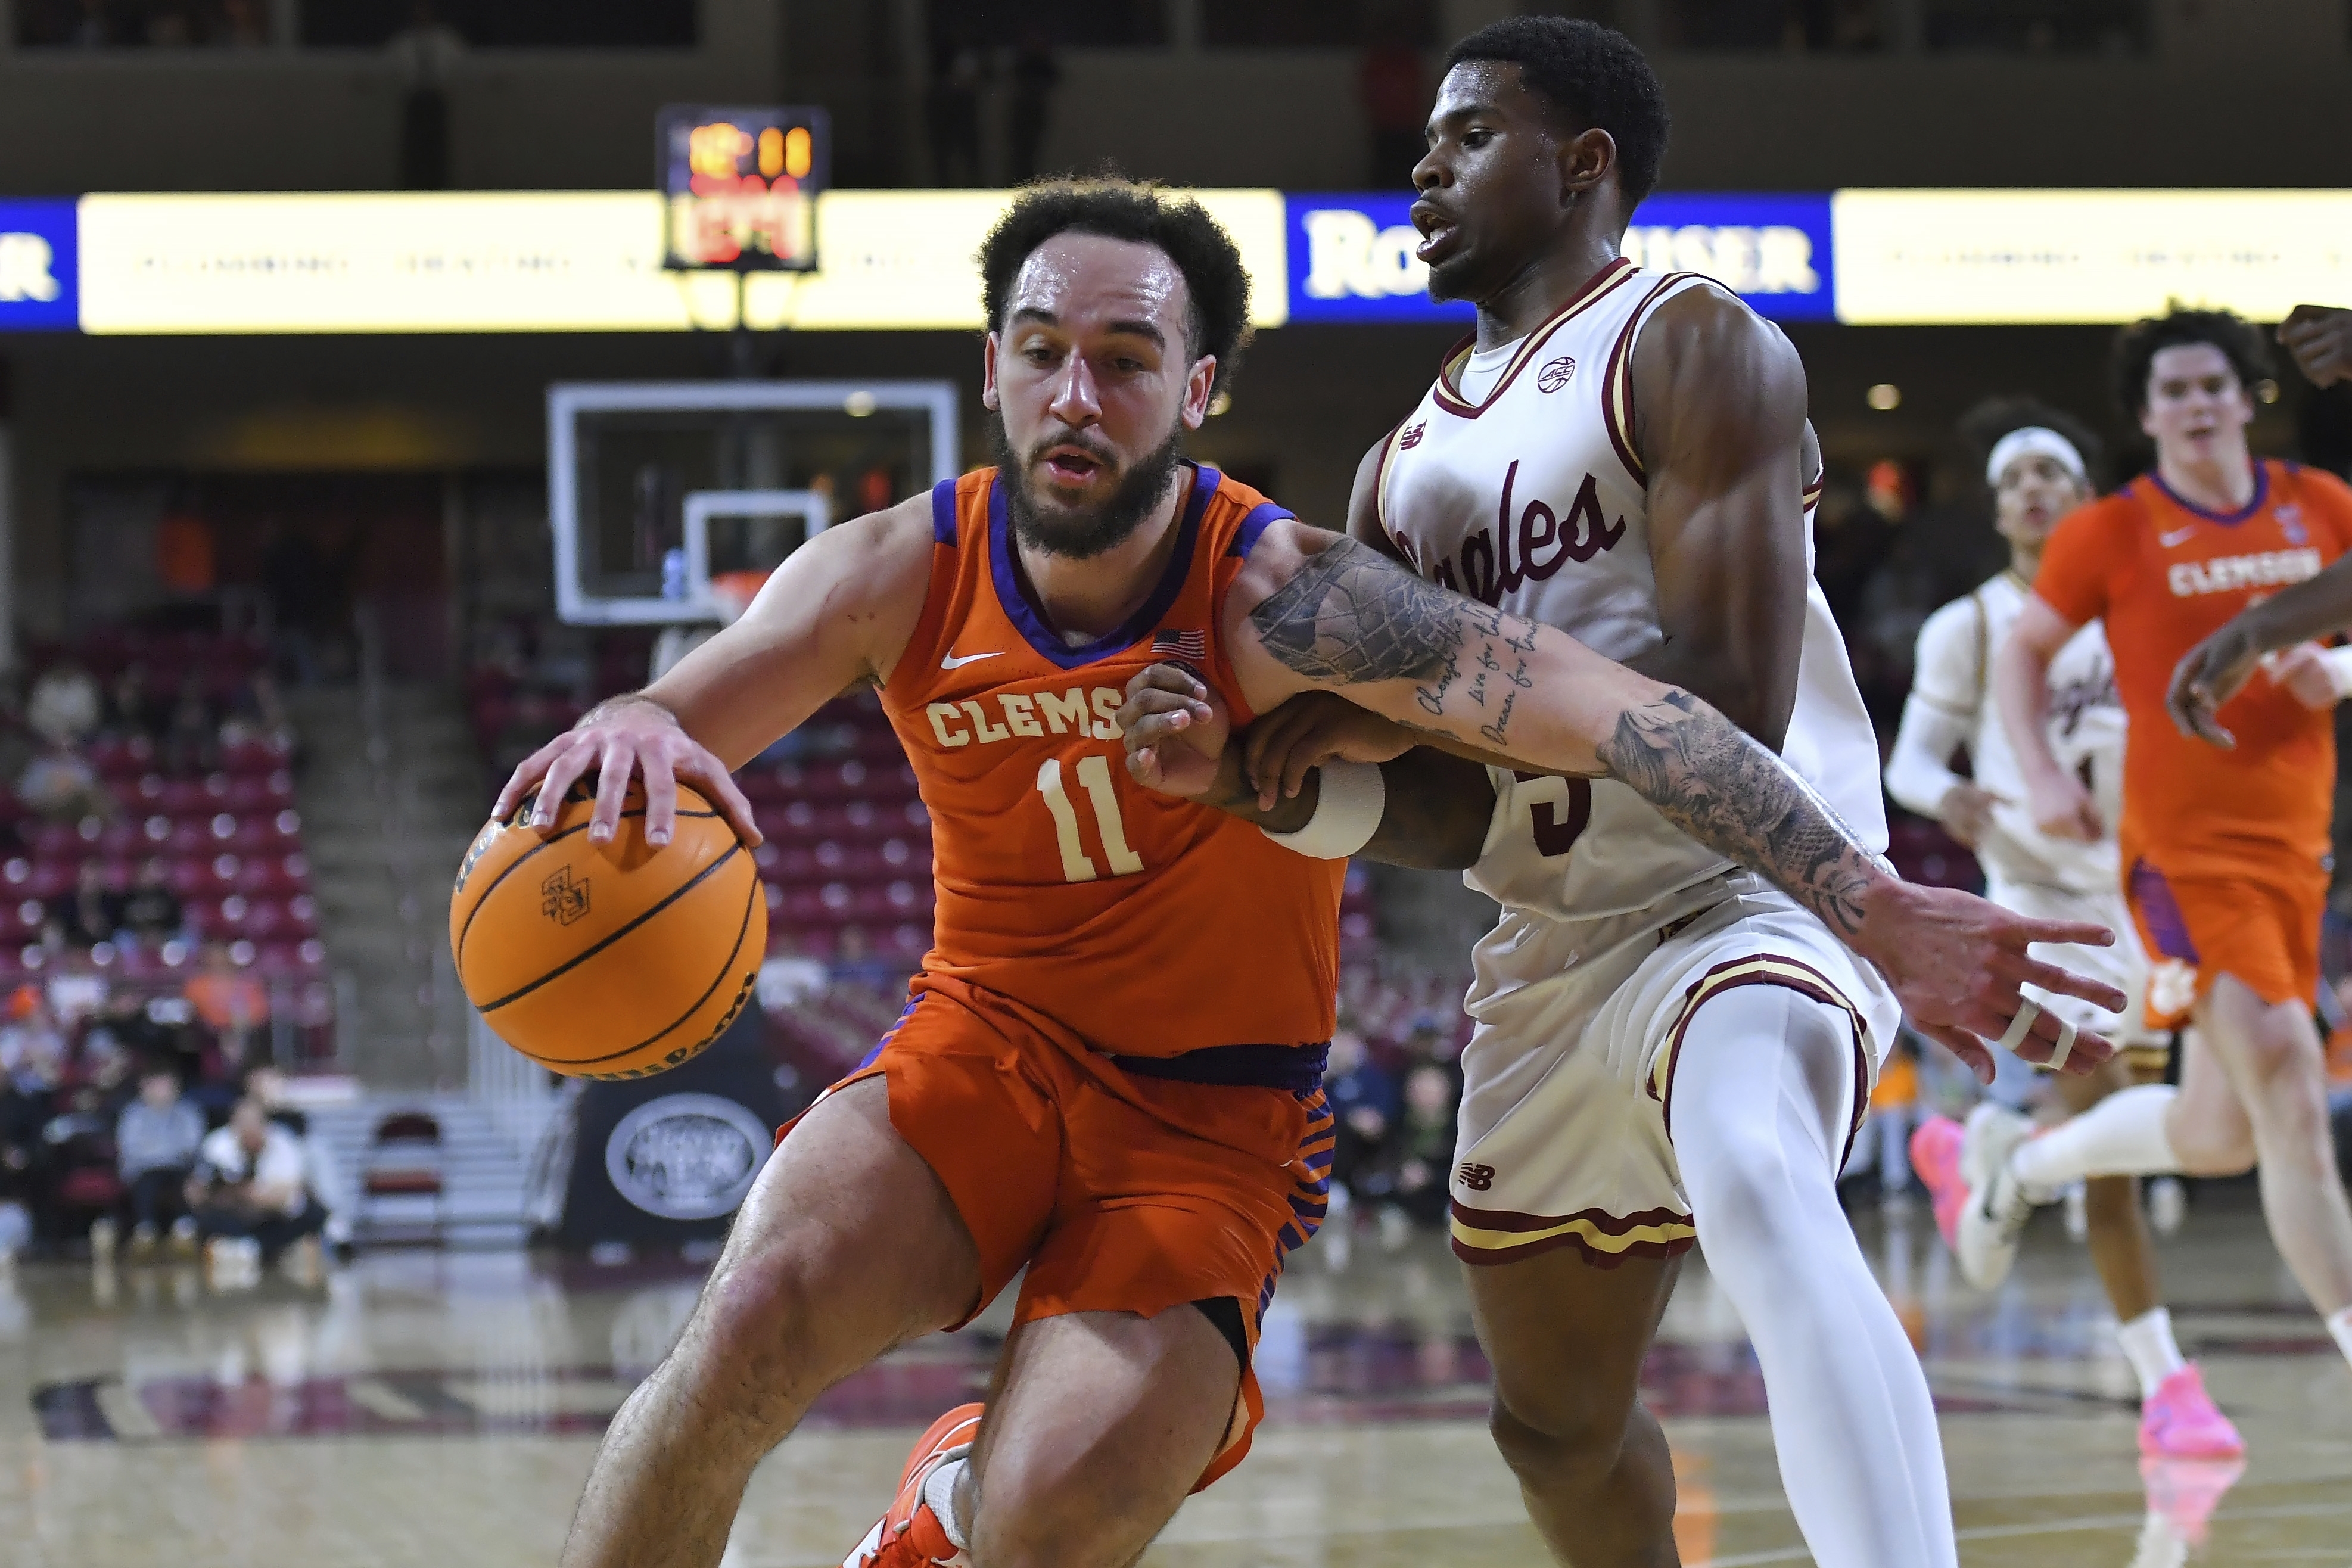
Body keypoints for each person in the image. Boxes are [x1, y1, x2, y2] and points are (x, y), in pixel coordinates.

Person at [502, 177, 2115, 1568]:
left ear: (1194, 388)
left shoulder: (1289, 596)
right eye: (1045, 352)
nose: (1078, 393)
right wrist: (635, 729)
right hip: (976, 1050)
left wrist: (1871, 901)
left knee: (1052, 1519)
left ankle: (946, 1508)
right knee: (744, 1328)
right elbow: (672, 708)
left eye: (1125, 360)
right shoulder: (891, 570)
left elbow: (1624, 718)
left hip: (1206, 1127)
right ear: (991, 370)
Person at [1119, 25, 2110, 1566]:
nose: (1421, 165)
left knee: (1754, 1167)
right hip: (1548, 948)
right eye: (1423, 140)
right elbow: (1459, 813)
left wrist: (1411, 680)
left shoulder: (1692, 341)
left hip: (1749, 889)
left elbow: (1725, 700)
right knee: (1551, 1429)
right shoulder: (1393, 470)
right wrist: (1288, 782)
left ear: (1583, 164)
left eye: (1464, 136)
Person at [1983, 304, 2352, 1390]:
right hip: (2177, 852)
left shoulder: (2318, 505)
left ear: (2246, 397)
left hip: (2297, 847)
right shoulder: (2109, 530)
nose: (2195, 405)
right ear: (2144, 417)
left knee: (2221, 1133)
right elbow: (2023, 654)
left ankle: (2027, 1159)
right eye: (2172, 392)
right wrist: (2041, 773)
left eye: (2211, 386)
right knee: (2287, 1079)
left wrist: (2337, 671)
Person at [1884, 399, 2237, 1457]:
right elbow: (1910, 758)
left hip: (2151, 893)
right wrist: (1943, 799)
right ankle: (2164, 1381)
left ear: (2086, 496)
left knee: (2153, 1132)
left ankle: (1996, 1157)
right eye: (2011, 480)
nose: (2029, 489)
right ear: (1997, 511)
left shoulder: (2139, 605)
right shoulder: (1972, 624)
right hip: (2042, 903)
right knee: (2118, 1144)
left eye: (2049, 471)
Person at [188, 1096, 326, 1268]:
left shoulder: (284, 1143)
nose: (249, 1128)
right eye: (243, 1122)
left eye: (254, 1122)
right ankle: (256, 1247)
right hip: (232, 1216)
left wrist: (248, 1193)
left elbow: (286, 1195)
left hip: (274, 1217)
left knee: (315, 1214)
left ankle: (255, 1247)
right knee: (204, 1219)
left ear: (266, 1123)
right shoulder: (216, 1145)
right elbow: (196, 1194)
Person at [113, 1062, 203, 1258]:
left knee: (183, 1179)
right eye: (155, 1086)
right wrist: (163, 1154)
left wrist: (157, 1151)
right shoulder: (133, 1114)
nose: (161, 1092)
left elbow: (191, 1145)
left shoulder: (188, 1113)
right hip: (144, 1170)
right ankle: (145, 1230)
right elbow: (130, 1148)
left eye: (166, 1086)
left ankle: (184, 1228)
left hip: (179, 1168)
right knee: (148, 1179)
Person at [46, 859, 123, 952]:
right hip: (73, 943)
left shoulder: (112, 900)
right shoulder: (68, 900)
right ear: (81, 876)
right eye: (89, 873)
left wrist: (101, 925)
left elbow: (118, 923)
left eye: (95, 874)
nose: (92, 878)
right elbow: (61, 922)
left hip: (106, 944)